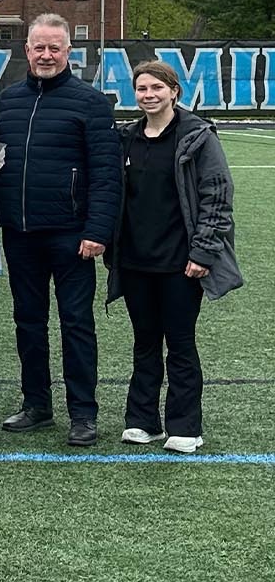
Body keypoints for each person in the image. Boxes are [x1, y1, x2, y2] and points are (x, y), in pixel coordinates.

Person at [0, 13, 120, 447]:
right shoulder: (7, 102)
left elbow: (106, 174)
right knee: (28, 321)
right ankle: (37, 405)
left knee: (76, 323)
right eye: (38, 47)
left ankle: (83, 412)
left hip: (72, 235)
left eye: (54, 48)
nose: (46, 55)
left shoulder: (91, 102)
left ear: (69, 52)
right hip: (20, 233)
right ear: (26, 50)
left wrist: (97, 229)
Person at [107, 60, 241, 454]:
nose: (149, 95)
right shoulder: (127, 137)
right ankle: (142, 420)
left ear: (174, 91)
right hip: (134, 261)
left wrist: (202, 252)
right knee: (144, 341)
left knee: (180, 342)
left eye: (156, 88)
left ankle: (185, 426)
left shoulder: (197, 136)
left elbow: (218, 197)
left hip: (181, 263)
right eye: (142, 89)